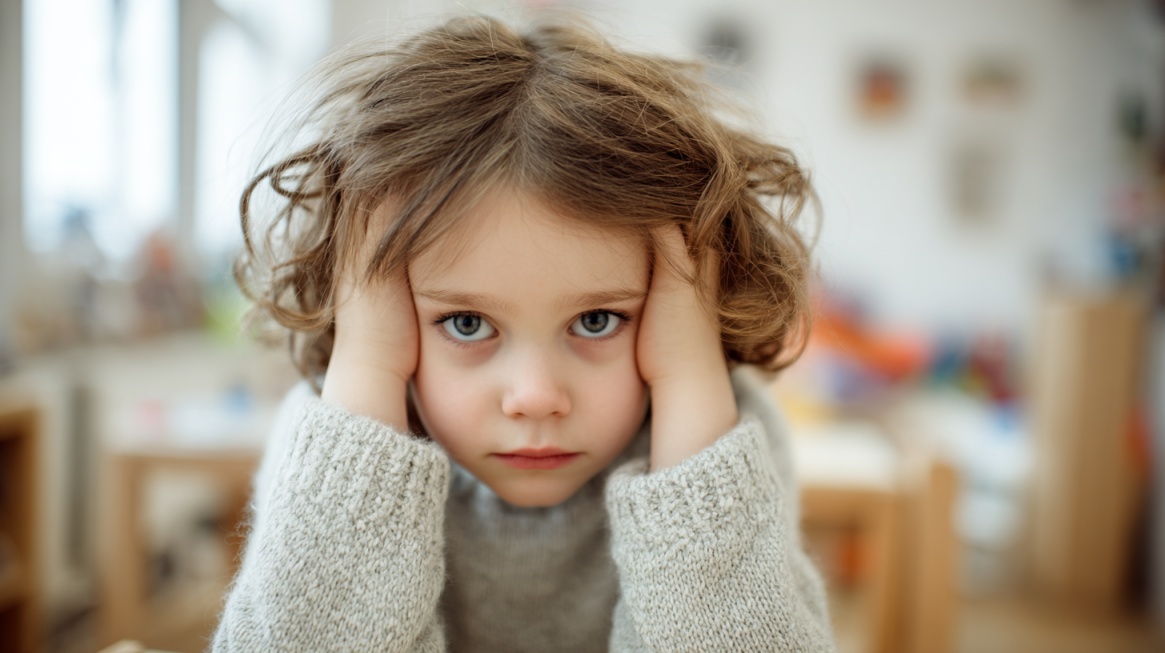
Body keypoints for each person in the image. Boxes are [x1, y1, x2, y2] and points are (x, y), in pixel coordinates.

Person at [212, 14, 835, 653]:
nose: (535, 397)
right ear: (380, 315)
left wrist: (690, 378)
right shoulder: (337, 431)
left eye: (598, 320)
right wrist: (367, 368)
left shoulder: (722, 436)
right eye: (467, 323)